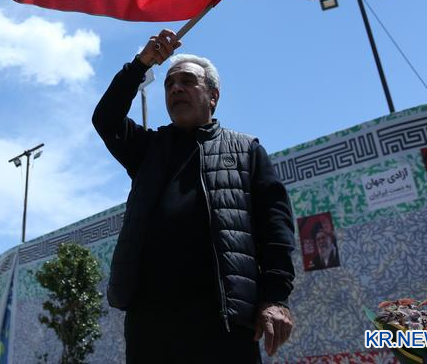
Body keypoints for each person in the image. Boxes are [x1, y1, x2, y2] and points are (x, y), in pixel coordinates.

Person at [93, 29, 296, 363]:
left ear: (213, 96)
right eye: (170, 84)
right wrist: (141, 64)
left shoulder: (246, 150)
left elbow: (276, 230)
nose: (176, 88)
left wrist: (275, 298)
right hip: (151, 325)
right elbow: (106, 119)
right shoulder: (148, 150)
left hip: (224, 324)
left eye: (187, 81)